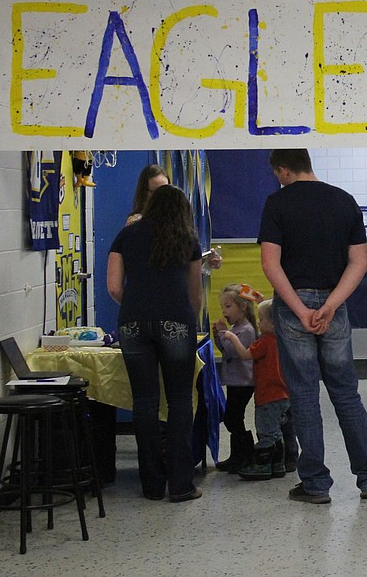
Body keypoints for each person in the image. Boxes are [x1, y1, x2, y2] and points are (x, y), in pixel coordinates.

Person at [258, 148, 367, 504]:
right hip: (336, 306)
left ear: (283, 170)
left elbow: (271, 264)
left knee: (303, 395)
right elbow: (359, 263)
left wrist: (300, 309)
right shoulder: (344, 201)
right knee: (346, 393)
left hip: (292, 306)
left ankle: (315, 484)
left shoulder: (277, 203)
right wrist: (331, 305)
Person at [106, 184, 203, 502]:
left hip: (133, 323)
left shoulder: (126, 234)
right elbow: (194, 292)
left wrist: (135, 306)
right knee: (178, 401)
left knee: (144, 403)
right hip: (176, 321)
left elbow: (113, 287)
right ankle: (181, 484)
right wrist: (193, 321)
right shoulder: (187, 239)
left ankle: (151, 484)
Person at [217, 299, 299, 480]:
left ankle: (262, 465)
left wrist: (232, 337)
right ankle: (277, 464)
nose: (259, 324)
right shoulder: (283, 341)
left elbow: (245, 355)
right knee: (276, 431)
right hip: (282, 395)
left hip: (267, 396)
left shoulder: (265, 341)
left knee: (266, 432)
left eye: (261, 320)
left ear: (271, 323)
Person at [212, 284, 260, 472]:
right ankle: (237, 456)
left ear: (242, 307)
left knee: (233, 418)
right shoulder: (235, 328)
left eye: (228, 306)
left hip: (243, 382)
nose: (224, 310)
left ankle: (246, 455)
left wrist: (225, 334)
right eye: (223, 306)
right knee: (233, 418)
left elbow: (233, 351)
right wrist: (219, 337)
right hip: (234, 380)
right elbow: (225, 350)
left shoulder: (246, 330)